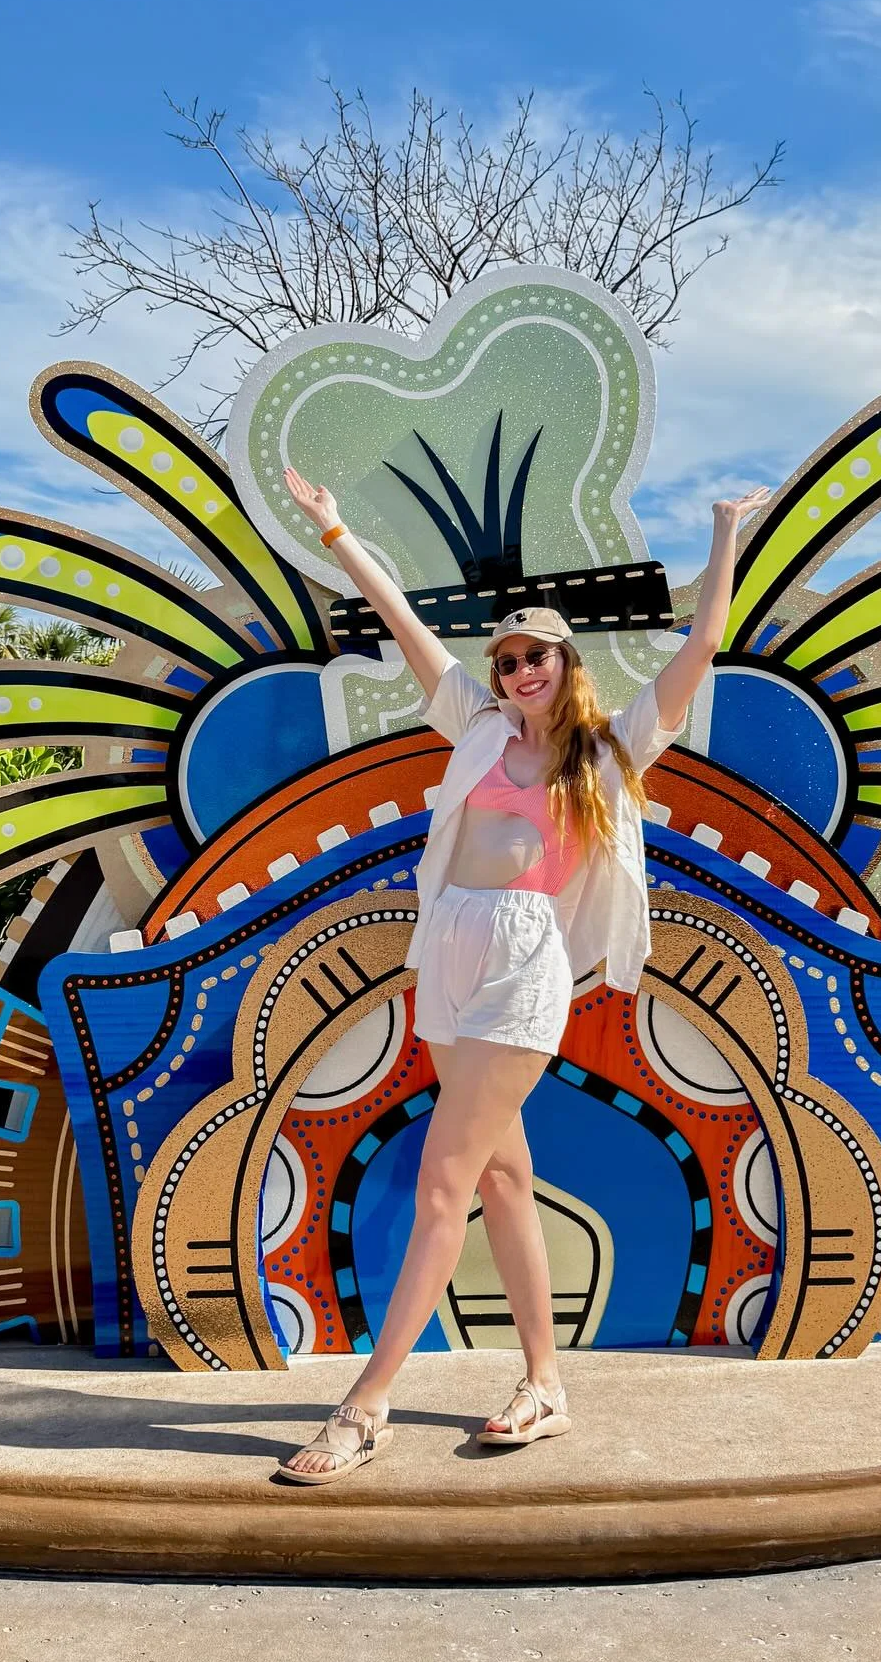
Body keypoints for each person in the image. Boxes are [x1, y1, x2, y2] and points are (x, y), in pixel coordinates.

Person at [277, 463, 770, 1483]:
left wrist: (724, 535)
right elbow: (400, 617)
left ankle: (365, 1407)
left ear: (566, 659)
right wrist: (334, 531)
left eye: (533, 657)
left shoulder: (611, 750)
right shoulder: (476, 727)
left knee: (443, 1184)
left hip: (521, 966)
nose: (517, 674)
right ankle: (546, 1384)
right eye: (504, 662)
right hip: (446, 956)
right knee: (505, 1179)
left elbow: (703, 646)